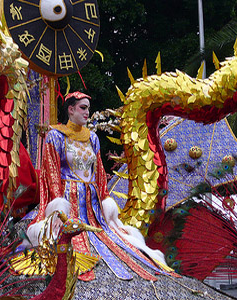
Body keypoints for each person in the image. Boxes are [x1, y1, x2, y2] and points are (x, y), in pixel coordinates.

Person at [24, 91, 171, 281]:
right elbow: (52, 171)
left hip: (91, 202)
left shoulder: (92, 137)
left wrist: (104, 197)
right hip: (69, 199)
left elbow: (99, 171)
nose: (87, 113)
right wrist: (58, 207)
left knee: (110, 237)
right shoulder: (56, 136)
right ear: (70, 109)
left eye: (88, 109)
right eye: (82, 108)